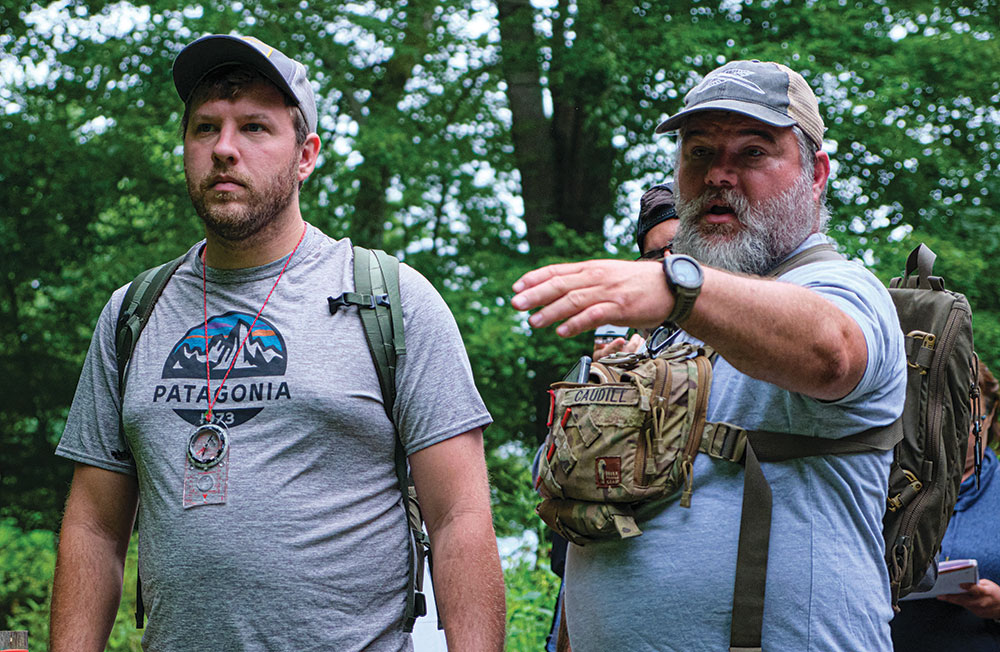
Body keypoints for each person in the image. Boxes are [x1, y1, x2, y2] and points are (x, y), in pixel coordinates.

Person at [50, 34, 505, 652]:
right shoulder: (133, 312)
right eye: (205, 128)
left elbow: (460, 520)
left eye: (255, 128)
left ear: (306, 155)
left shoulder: (388, 299)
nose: (224, 150)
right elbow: (94, 528)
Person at [512, 59, 906, 651]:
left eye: (752, 152)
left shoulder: (846, 289)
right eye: (698, 152)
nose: (719, 174)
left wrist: (679, 288)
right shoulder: (662, 329)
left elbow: (831, 351)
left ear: (816, 174)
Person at [544, 182, 680, 652]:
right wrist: (607, 384)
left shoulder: (734, 342)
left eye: (678, 249)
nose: (665, 265)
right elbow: (549, 470)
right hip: (590, 581)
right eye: (653, 254)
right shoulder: (626, 343)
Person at [890, 360, 1000, 651]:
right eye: (949, 421)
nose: (960, 434)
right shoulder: (896, 483)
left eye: (971, 422)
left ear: (990, 416)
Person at [592, 182, 680, 360]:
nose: (669, 261)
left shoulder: (741, 326)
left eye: (679, 247)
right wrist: (615, 372)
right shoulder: (642, 340)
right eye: (656, 255)